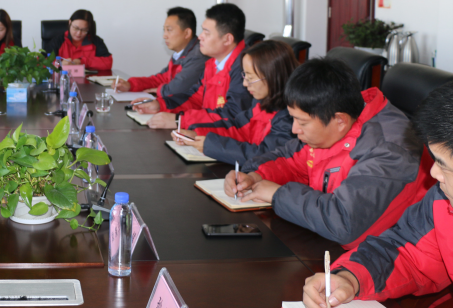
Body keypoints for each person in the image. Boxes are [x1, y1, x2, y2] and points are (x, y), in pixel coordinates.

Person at [224, 57, 434, 250]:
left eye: (302, 122)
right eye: (293, 119)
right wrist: (255, 175)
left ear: (340, 120)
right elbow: (291, 159)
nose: (294, 130)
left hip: (386, 257)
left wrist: (277, 194)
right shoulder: (336, 113)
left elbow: (343, 221)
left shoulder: (389, 150)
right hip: (330, 242)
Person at [302, 83, 453, 307]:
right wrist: (351, 278)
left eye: (444, 166)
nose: (433, 173)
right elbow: (408, 252)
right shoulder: (443, 199)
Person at [170, 40, 298, 165]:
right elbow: (238, 128)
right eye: (244, 76)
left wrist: (210, 145)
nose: (245, 84)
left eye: (250, 78)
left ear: (273, 76)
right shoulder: (261, 101)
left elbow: (265, 156)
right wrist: (197, 133)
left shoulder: (291, 116)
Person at [134, 3, 252, 129]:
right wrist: (161, 105)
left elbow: (233, 115)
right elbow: (195, 98)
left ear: (227, 39)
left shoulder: (245, 68)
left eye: (206, 32)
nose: (200, 36)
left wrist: (179, 121)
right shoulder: (212, 63)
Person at [112, 7, 207, 110]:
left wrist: (157, 91)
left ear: (187, 33)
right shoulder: (180, 53)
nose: (164, 36)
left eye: (169, 30)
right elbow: (161, 78)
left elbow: (176, 90)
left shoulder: (197, 56)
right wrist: (131, 85)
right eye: (164, 30)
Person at [47, 9, 113, 71]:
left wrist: (82, 62)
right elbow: (43, 62)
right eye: (76, 28)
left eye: (84, 30)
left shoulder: (95, 41)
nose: (79, 33)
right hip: (63, 78)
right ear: (70, 23)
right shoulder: (58, 41)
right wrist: (59, 63)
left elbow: (108, 62)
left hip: (88, 79)